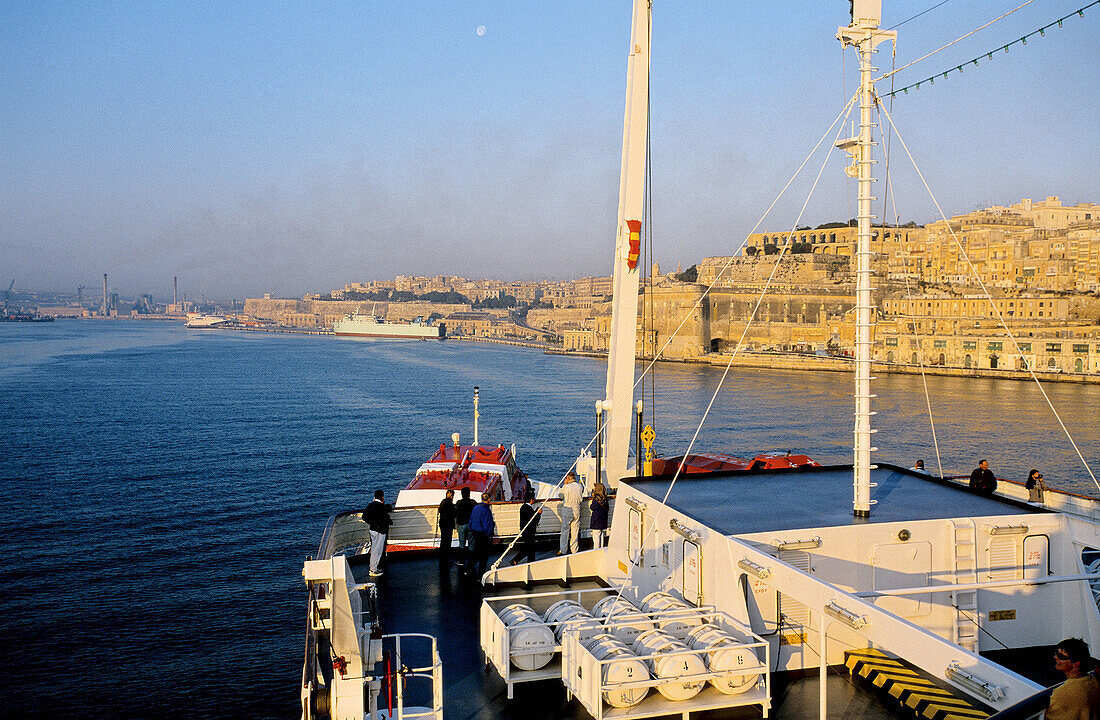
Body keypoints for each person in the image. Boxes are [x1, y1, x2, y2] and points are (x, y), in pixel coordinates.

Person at [1046, 637, 1099, 720]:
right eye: (1056, 653)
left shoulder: (1062, 693)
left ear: (1076, 663)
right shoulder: (1092, 680)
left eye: (1061, 656)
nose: (1055, 657)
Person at [363, 489, 393, 578]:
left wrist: (373, 524)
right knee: (377, 550)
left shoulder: (370, 506)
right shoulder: (382, 507)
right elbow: (388, 512)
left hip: (372, 530)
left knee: (374, 549)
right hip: (381, 531)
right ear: (382, 497)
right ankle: (373, 569)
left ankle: (374, 568)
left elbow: (364, 517)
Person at [467, 492, 496, 580]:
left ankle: (468, 569)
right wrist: (489, 535)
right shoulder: (486, 510)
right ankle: (480, 575)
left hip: (475, 532)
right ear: (489, 500)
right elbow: (488, 525)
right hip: (483, 535)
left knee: (476, 553)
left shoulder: (476, 508)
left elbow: (471, 520)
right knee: (484, 556)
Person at [510, 488, 541, 565]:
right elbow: (533, 521)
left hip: (526, 530)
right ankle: (516, 560)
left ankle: (530, 562)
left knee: (530, 548)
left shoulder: (524, 507)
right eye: (533, 499)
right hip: (528, 531)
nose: (534, 500)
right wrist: (538, 514)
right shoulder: (528, 508)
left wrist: (535, 512)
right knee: (529, 548)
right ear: (531, 500)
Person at [558, 471, 583, 555]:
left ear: (568, 478)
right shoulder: (579, 486)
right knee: (575, 531)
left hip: (568, 509)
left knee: (565, 531)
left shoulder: (566, 487)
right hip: (577, 509)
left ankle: (563, 550)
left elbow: (561, 496)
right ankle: (574, 550)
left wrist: (564, 485)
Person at [454, 486, 476, 566]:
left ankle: (461, 560)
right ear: (469, 494)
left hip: (462, 524)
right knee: (471, 543)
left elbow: (455, 513)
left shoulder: (459, 503)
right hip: (471, 524)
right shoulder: (473, 502)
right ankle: (471, 561)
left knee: (462, 543)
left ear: (462, 494)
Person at [437, 488, 456, 564]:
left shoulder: (443, 502)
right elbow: (454, 513)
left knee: (443, 540)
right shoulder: (450, 504)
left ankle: (442, 558)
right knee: (448, 541)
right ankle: (446, 559)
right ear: (451, 496)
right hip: (448, 524)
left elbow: (440, 510)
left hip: (443, 523)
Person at [589, 481, 610, 549]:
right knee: (601, 535)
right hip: (603, 519)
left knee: (596, 536)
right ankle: (601, 548)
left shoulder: (597, 499)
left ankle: (596, 549)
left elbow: (592, 507)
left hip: (596, 519)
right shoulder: (605, 498)